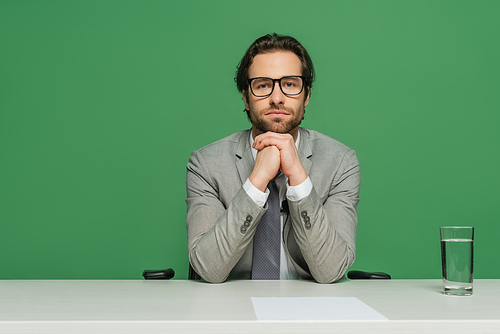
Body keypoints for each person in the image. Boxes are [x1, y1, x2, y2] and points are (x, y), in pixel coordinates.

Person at [185, 33, 360, 284]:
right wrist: (257, 180)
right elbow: (208, 269)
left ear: (306, 95)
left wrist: (299, 179)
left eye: (289, 84)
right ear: (246, 98)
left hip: (311, 310)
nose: (276, 98)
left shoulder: (341, 162)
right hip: (234, 309)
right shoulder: (206, 164)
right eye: (263, 85)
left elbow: (331, 270)